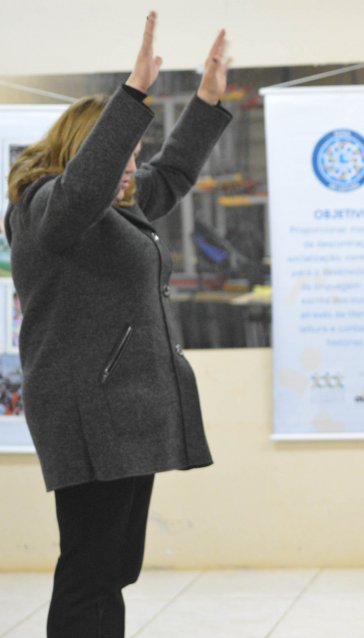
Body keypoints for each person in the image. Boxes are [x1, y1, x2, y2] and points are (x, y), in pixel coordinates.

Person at [4, 14, 232, 637]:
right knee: (91, 569)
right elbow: (82, 190)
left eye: (134, 157)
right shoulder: (45, 207)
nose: (132, 168)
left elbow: (175, 173)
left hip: (125, 414)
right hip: (91, 413)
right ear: (86, 151)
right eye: (122, 155)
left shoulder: (114, 209)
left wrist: (208, 99)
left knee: (112, 569)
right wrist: (133, 93)